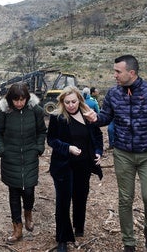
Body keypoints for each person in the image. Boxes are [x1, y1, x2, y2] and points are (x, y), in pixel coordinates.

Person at [84, 55, 147, 252]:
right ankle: (129, 242)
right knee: (125, 199)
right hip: (123, 153)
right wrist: (95, 118)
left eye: (118, 71)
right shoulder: (113, 94)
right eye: (115, 71)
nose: (114, 75)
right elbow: (106, 117)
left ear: (131, 73)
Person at [47, 86, 104, 252]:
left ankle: (79, 227)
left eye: (73, 101)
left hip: (84, 164)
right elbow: (51, 140)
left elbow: (97, 136)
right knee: (63, 201)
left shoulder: (88, 116)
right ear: (62, 102)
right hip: (64, 165)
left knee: (81, 196)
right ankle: (62, 238)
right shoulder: (57, 117)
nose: (71, 105)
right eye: (67, 102)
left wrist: (98, 152)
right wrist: (67, 147)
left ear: (79, 100)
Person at [0, 82, 47, 243]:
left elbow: (42, 131)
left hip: (30, 156)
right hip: (11, 158)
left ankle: (28, 212)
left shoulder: (35, 110)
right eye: (16, 100)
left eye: (22, 99)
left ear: (27, 98)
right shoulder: (4, 113)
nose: (19, 103)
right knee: (14, 194)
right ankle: (17, 228)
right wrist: (2, 150)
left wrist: (38, 148)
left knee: (29, 190)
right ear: (10, 99)